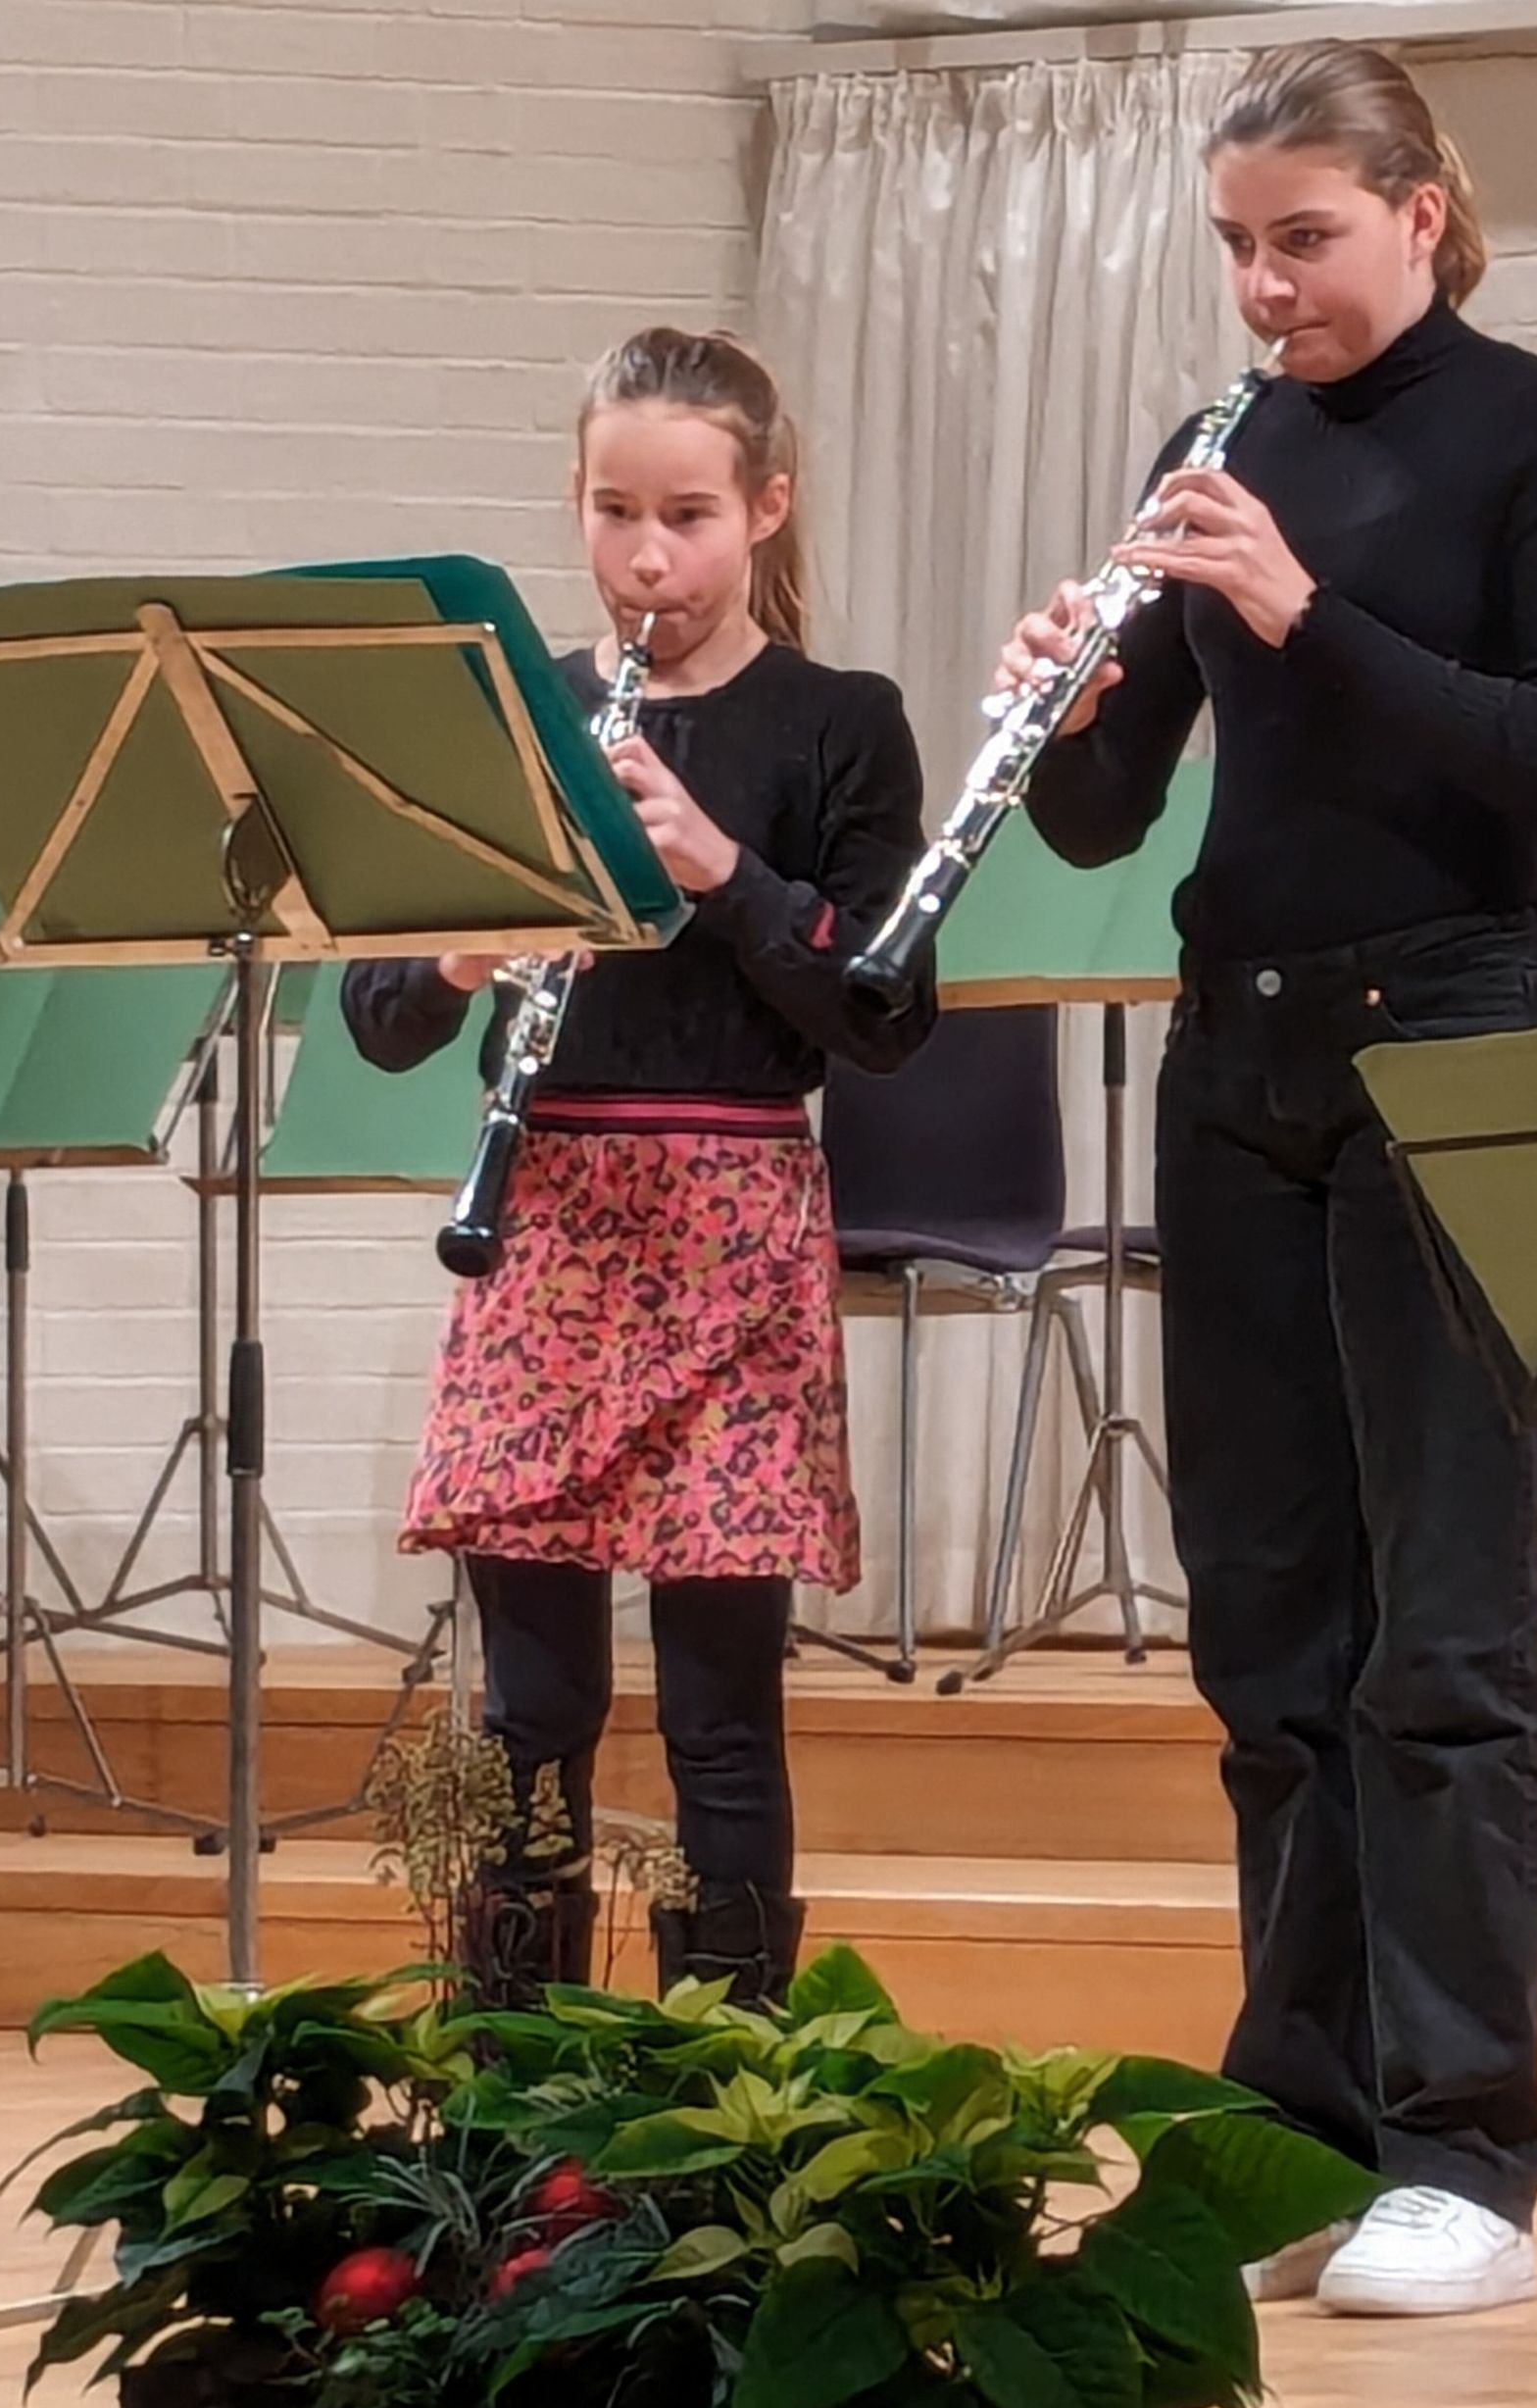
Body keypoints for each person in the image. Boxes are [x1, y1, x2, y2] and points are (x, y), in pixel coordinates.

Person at [997, 41, 1537, 2317]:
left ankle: (1463, 2139)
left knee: (1444, 1626)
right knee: (1267, 1620)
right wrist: (1080, 703)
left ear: (1421, 211)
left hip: (1461, 1033)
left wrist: (1296, 612)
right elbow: (1103, 824)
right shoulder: (1213, 449)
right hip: (1241, 1054)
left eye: (1307, 239)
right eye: (1238, 249)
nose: (1267, 288)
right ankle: (1300, 2110)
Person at [344, 326, 931, 2008]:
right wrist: (464, 951)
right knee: (527, 1705)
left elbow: (885, 1015)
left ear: (767, 508)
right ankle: (510, 2075)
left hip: (731, 1219)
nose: (647, 556)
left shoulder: (840, 725)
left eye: (687, 514)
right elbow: (378, 1016)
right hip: (542, 1220)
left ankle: (727, 2095)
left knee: (718, 1708)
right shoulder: (513, 716)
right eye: (614, 512)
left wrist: (720, 867)